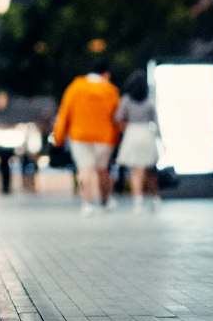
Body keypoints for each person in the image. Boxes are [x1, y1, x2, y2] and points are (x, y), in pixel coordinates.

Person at [52, 63, 121, 213]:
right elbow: (116, 117)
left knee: (85, 170)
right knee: (102, 170)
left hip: (79, 136)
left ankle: (87, 203)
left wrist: (59, 137)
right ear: (106, 75)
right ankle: (105, 200)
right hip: (104, 137)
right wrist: (116, 138)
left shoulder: (75, 87)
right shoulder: (110, 90)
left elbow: (65, 113)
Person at [114, 70, 160, 209]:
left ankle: (137, 201)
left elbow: (117, 117)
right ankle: (155, 199)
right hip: (146, 133)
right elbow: (156, 121)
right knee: (150, 170)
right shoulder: (150, 99)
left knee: (136, 171)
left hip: (132, 133)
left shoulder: (126, 99)